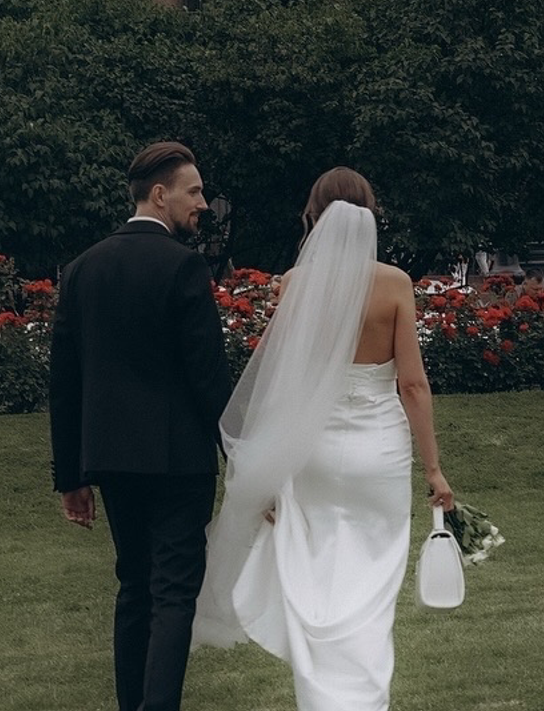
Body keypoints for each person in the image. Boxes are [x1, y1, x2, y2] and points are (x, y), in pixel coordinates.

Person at [195, 168, 455, 711]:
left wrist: (267, 472)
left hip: (309, 453)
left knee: (313, 585)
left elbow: (278, 384)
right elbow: (411, 384)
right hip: (377, 456)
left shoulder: (297, 284)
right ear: (370, 214)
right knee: (370, 591)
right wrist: (433, 470)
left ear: (314, 217)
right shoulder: (394, 284)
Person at [50, 142, 232, 711]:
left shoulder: (83, 268)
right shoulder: (183, 266)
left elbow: (66, 381)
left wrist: (70, 475)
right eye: (195, 191)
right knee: (173, 594)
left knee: (134, 589)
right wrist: (242, 452)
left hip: (110, 457)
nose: (203, 203)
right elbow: (207, 375)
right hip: (179, 460)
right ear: (161, 195)